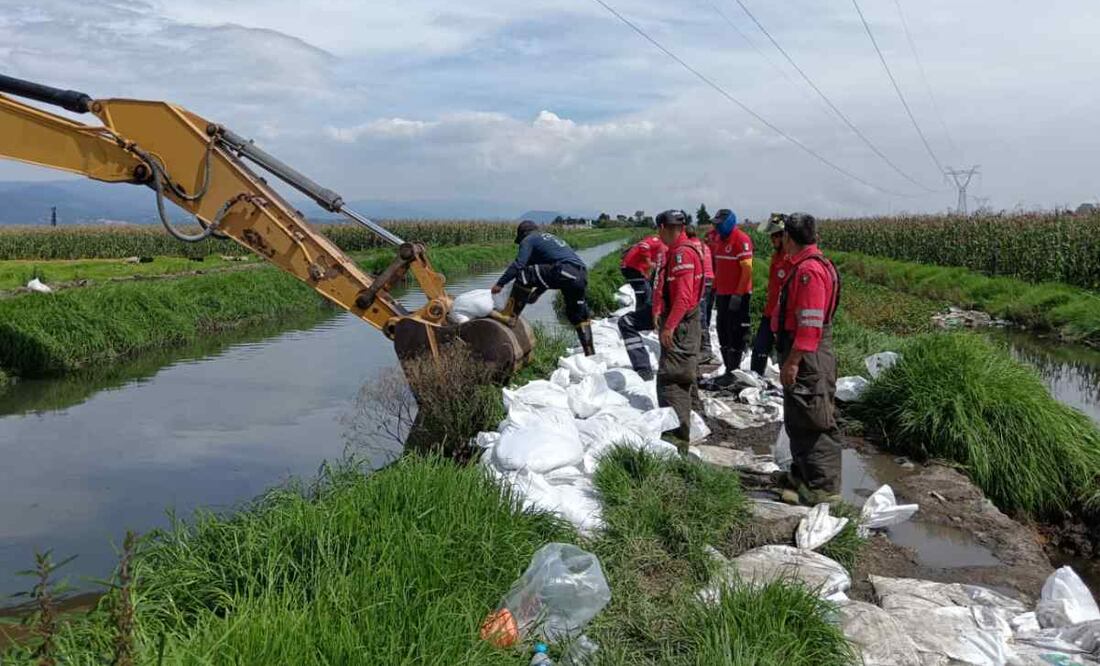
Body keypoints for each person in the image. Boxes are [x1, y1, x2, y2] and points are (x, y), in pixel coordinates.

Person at [772, 213, 843, 505]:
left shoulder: (809, 272)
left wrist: (793, 361)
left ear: (789, 237)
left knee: (814, 418)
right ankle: (803, 476)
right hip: (806, 352)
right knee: (800, 416)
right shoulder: (807, 265)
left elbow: (811, 324)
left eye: (782, 237)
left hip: (808, 354)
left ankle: (823, 490)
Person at [491, 221, 595, 355]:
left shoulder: (529, 239)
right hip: (580, 275)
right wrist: (537, 293)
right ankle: (590, 354)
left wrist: (500, 284)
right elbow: (548, 271)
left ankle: (510, 317)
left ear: (523, 234)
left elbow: (519, 264)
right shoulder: (546, 239)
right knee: (578, 316)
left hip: (564, 270)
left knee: (524, 274)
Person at [651, 209, 705, 449]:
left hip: (682, 327)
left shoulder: (682, 254)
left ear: (664, 227)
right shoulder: (682, 250)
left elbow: (683, 298)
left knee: (671, 381)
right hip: (684, 325)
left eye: (659, 229)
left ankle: (676, 442)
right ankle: (686, 429)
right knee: (681, 378)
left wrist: (668, 327)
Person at [704, 208, 753, 386]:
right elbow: (719, 266)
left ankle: (734, 370)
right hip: (723, 293)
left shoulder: (741, 240)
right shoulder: (718, 240)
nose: (717, 228)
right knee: (722, 331)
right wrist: (715, 288)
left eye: (719, 224)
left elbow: (747, 269)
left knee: (736, 333)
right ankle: (728, 368)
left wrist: (738, 295)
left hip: (738, 295)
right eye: (715, 225)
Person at [616, 232, 666, 379]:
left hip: (633, 269)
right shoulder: (657, 240)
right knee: (644, 295)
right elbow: (644, 247)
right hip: (633, 269)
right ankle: (644, 369)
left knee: (644, 295)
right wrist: (649, 262)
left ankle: (643, 368)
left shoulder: (669, 249)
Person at [751, 214, 791, 375]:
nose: (771, 239)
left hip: (784, 316)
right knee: (759, 349)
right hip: (770, 312)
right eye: (771, 236)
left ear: (784, 235)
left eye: (775, 235)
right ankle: (754, 382)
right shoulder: (776, 256)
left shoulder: (791, 258)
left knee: (784, 354)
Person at [685, 221, 716, 364]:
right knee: (706, 315)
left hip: (701, 282)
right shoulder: (704, 245)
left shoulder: (689, 247)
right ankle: (702, 346)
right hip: (711, 281)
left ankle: (705, 349)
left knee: (700, 316)